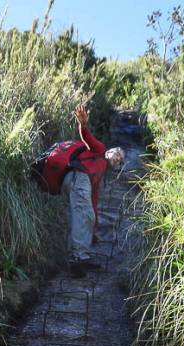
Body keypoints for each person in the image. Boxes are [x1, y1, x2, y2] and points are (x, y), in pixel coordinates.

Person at [60, 105, 125, 277]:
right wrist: (83, 124)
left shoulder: (100, 173)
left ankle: (80, 255)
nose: (116, 157)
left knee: (85, 216)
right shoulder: (100, 150)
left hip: (77, 182)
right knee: (83, 215)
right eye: (116, 153)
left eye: (119, 158)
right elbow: (87, 137)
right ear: (110, 151)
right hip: (77, 177)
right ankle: (77, 259)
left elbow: (94, 201)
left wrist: (94, 227)